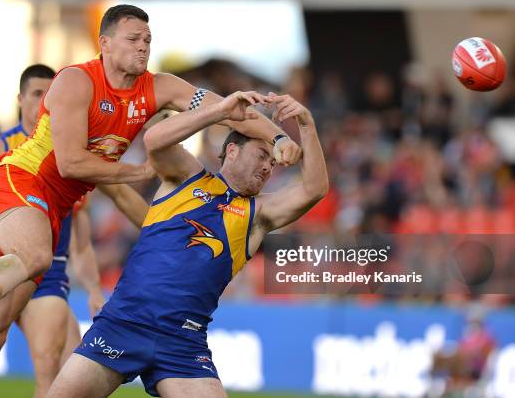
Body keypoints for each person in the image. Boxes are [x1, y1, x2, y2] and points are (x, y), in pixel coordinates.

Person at [0, 4, 301, 365]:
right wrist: (134, 173)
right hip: (21, 181)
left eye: (148, 40)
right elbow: (70, 164)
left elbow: (232, 108)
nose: (143, 47)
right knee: (37, 261)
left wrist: (278, 139)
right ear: (105, 43)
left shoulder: (158, 87)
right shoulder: (76, 80)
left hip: (55, 207)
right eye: (133, 39)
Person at [46, 90, 328, 398]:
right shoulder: (187, 176)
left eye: (272, 164)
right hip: (124, 323)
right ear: (232, 150)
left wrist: (307, 123)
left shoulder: (258, 214)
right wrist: (220, 110)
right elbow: (155, 140)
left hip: (183, 343)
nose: (266, 167)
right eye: (262, 156)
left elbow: (315, 189)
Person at [0, 64, 149, 398]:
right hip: (0, 267)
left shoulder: (78, 156)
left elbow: (88, 234)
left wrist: (95, 286)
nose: (45, 103)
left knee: (53, 363)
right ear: (20, 99)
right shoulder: (2, 149)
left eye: (52, 95)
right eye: (38, 94)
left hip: (49, 275)